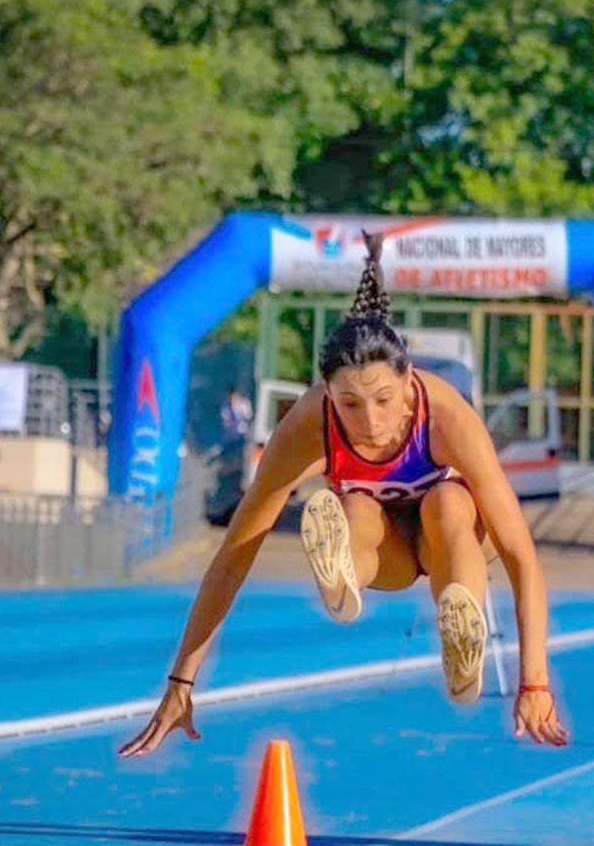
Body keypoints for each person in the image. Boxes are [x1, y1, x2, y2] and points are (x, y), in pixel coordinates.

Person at [119, 232, 567, 759]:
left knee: (446, 503)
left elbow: (520, 555)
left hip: (454, 541)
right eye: (350, 404)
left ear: (409, 382)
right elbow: (235, 553)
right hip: (387, 555)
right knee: (353, 507)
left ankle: (460, 626)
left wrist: (534, 681)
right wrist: (181, 680)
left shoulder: (448, 416)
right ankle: (342, 574)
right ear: (328, 395)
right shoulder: (308, 425)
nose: (370, 421)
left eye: (383, 399)